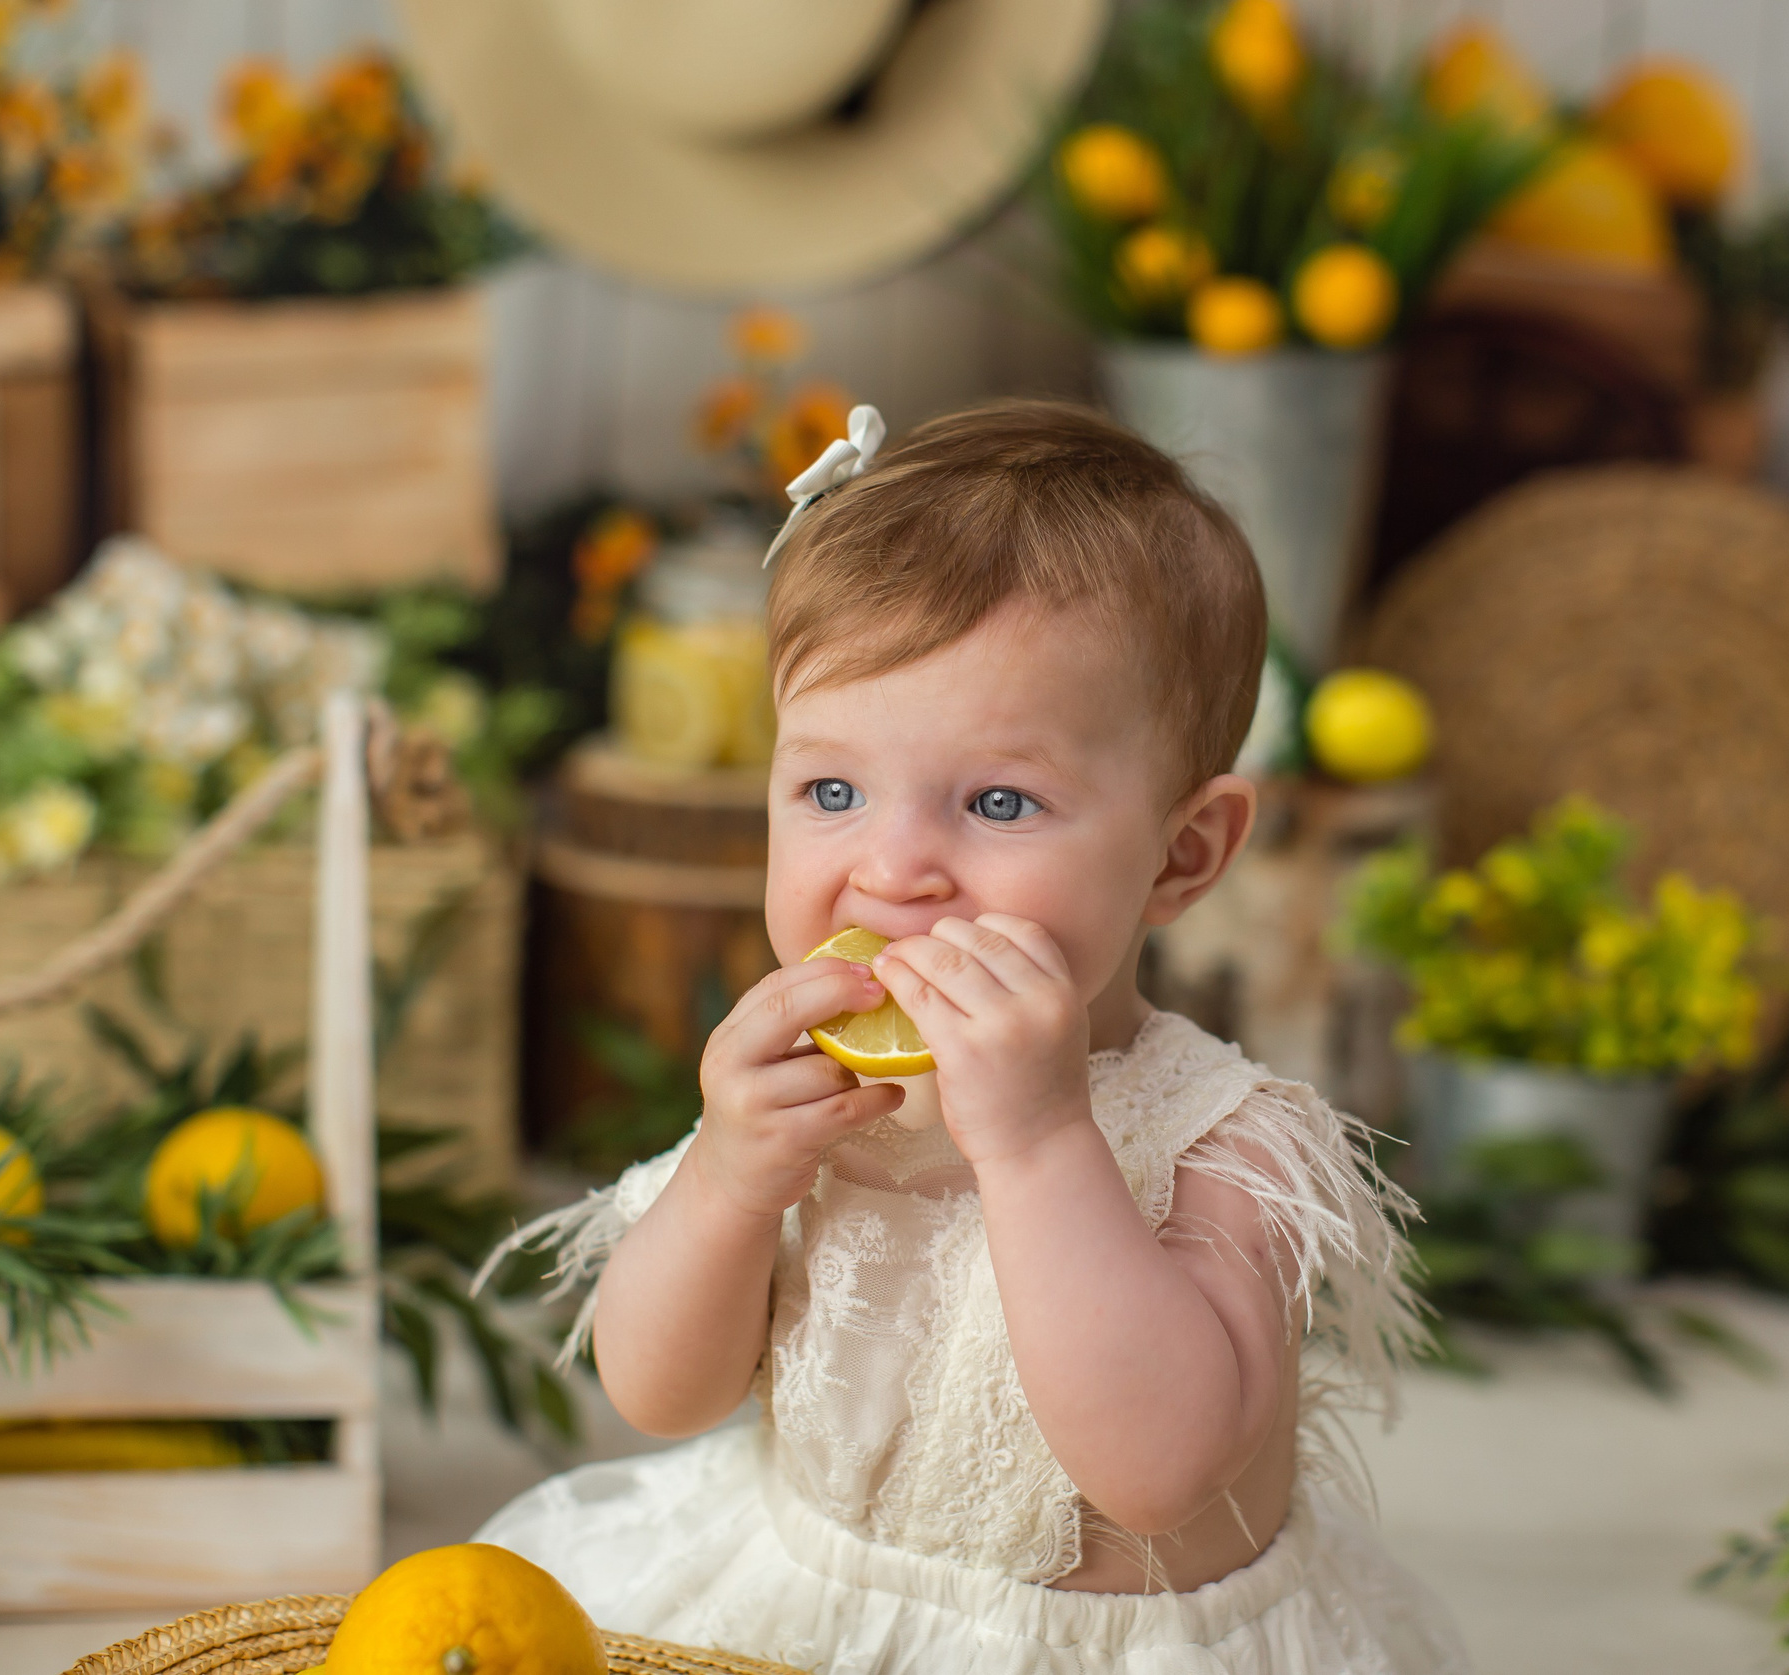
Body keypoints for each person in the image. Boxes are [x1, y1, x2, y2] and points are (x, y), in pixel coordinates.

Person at [477, 400, 1465, 1673]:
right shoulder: (804, 1096)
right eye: (832, 789)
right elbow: (660, 1395)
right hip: (803, 1618)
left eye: (998, 802)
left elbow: (1160, 1471)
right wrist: (726, 1178)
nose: (893, 869)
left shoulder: (1226, 1144)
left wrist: (1041, 1142)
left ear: (1183, 854)